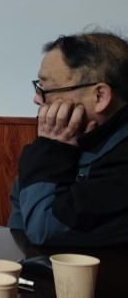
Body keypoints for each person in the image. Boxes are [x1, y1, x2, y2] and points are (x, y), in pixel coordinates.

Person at [8, 32, 128, 246]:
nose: (37, 99)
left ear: (99, 96)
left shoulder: (120, 157)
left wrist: (51, 148)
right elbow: (20, 222)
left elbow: (44, 229)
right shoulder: (75, 137)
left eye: (46, 88)